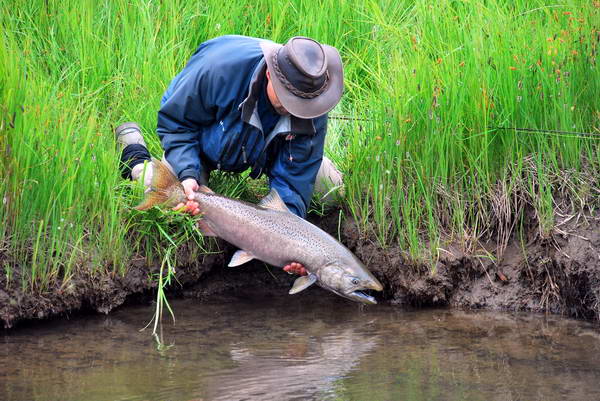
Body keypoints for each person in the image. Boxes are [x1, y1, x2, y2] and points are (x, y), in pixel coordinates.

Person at [116, 35, 344, 276]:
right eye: (289, 101)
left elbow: (297, 175)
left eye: (302, 104)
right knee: (164, 193)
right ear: (269, 75)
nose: (295, 110)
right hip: (203, 147)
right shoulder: (217, 68)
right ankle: (134, 151)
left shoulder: (313, 99)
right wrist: (188, 173)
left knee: (330, 188)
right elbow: (176, 124)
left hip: (267, 155)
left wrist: (288, 244)